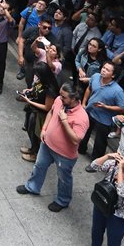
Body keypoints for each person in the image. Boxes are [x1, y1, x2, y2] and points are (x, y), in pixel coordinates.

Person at [16, 82, 89, 212]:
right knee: (39, 166)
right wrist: (44, 129)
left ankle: (62, 201)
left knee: (63, 178)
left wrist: (64, 121)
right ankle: (32, 187)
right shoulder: (59, 100)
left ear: (74, 98)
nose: (60, 98)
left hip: (64, 154)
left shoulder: (82, 117)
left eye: (64, 97)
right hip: (47, 145)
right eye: (60, 94)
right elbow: (51, 112)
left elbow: (76, 139)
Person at [82, 61, 124, 166]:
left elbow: (121, 108)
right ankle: (81, 149)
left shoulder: (118, 90)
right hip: (90, 111)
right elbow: (89, 88)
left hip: (104, 119)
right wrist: (84, 103)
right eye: (103, 68)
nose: (103, 70)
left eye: (107, 70)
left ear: (113, 75)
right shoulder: (95, 77)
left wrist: (106, 107)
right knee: (84, 132)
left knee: (100, 142)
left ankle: (96, 162)